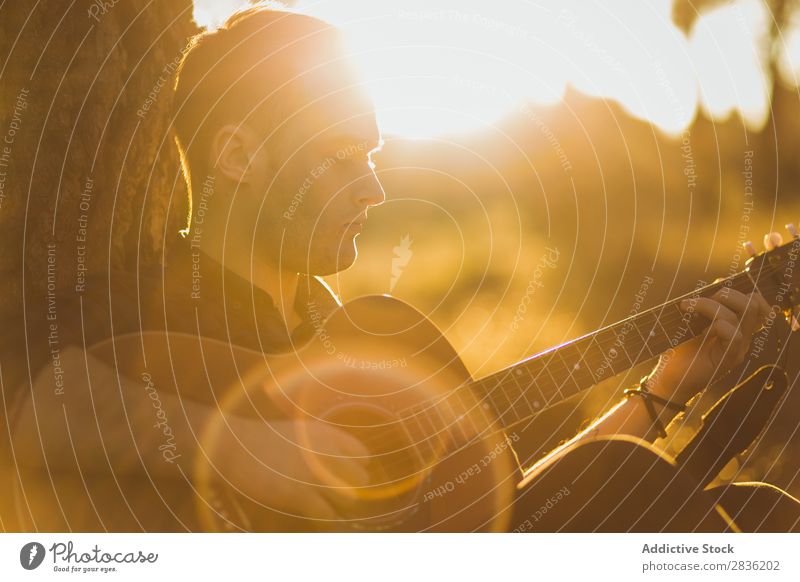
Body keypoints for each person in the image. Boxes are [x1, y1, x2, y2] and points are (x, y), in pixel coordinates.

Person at [9, 4, 781, 531]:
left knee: (761, 512)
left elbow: (508, 514)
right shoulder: (141, 313)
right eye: (341, 156)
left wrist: (668, 385)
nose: (373, 187)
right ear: (237, 155)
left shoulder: (385, 338)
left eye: (373, 156)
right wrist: (248, 445)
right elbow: (37, 409)